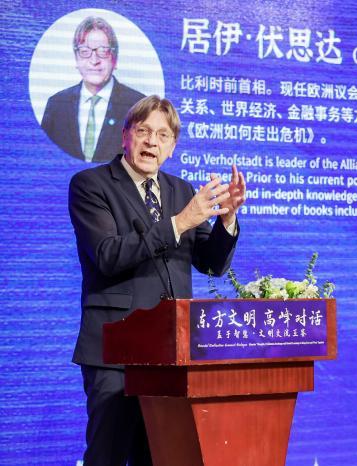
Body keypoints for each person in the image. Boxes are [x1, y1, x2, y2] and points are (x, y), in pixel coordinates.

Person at [68, 95, 246, 465]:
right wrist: (179, 223)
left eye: (163, 135)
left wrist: (226, 221)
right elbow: (107, 255)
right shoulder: (91, 185)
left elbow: (211, 264)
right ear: (125, 136)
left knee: (161, 457)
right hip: (114, 352)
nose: (152, 141)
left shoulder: (181, 191)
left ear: (172, 147)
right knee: (108, 455)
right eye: (143, 131)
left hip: (171, 355)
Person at [42, 16, 145, 163]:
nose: (94, 60)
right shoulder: (56, 104)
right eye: (85, 51)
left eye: (103, 51)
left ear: (115, 59)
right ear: (76, 59)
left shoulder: (139, 106)